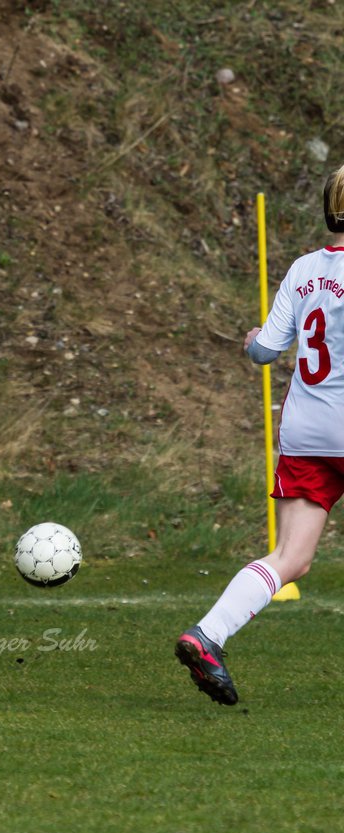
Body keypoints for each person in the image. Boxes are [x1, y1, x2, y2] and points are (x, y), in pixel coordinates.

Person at [175, 162, 344, 704]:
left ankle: (208, 635)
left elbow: (264, 352)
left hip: (307, 433)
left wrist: (253, 338)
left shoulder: (303, 270)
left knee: (290, 558)